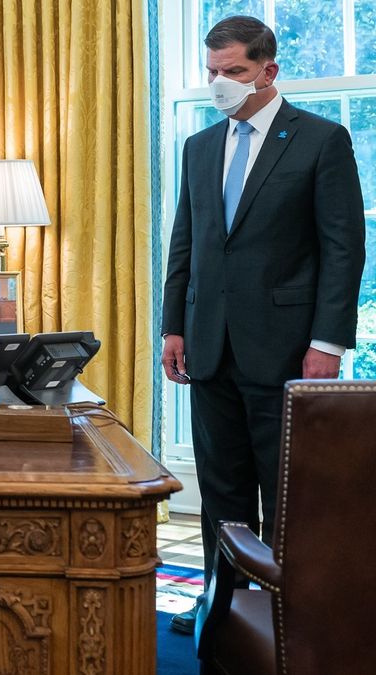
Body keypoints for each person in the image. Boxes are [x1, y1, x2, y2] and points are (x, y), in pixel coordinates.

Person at [160, 16, 365, 635]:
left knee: (285, 494)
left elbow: (343, 250)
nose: (221, 83)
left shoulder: (321, 141)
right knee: (221, 494)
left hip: (288, 349)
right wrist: (173, 327)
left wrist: (327, 342)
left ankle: (287, 613)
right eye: (213, 72)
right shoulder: (199, 147)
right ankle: (221, 605)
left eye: (235, 72)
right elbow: (185, 244)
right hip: (208, 345)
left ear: (269, 71)